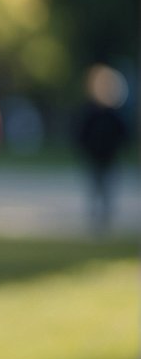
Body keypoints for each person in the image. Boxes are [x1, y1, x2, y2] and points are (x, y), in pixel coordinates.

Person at [72, 64, 131, 236]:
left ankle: (105, 220)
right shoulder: (90, 111)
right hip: (93, 157)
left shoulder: (115, 114)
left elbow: (123, 134)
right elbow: (81, 133)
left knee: (107, 190)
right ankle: (95, 222)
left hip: (110, 157)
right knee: (94, 188)